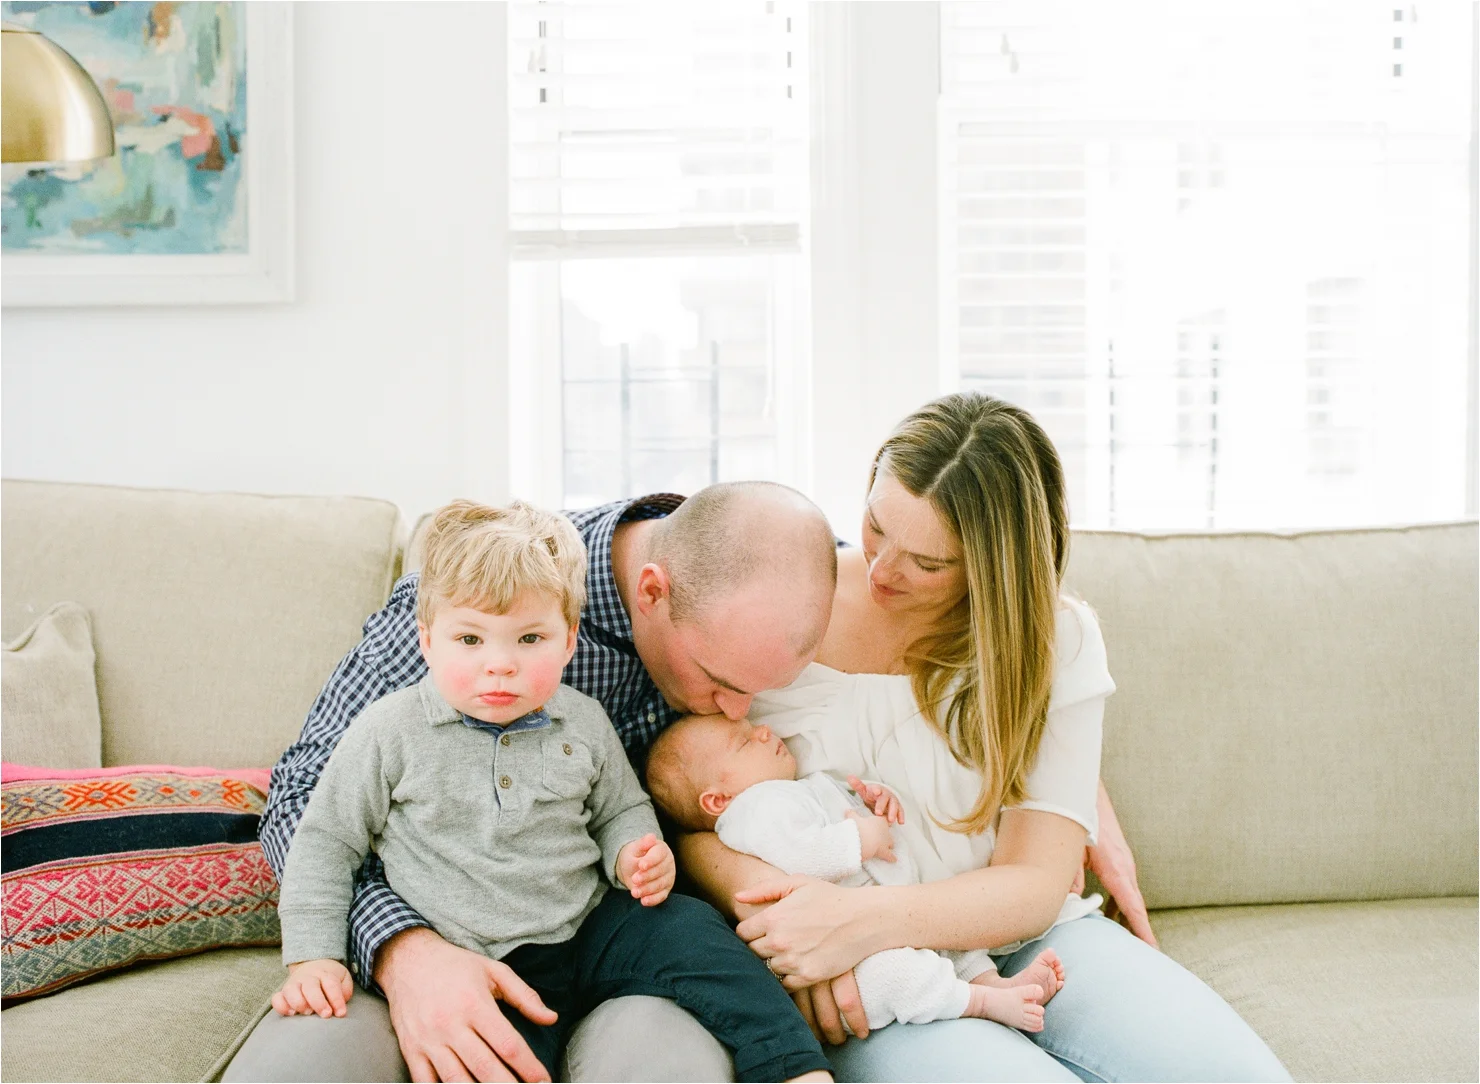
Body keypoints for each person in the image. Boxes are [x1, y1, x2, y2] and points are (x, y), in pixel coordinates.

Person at [677, 392, 1293, 1082]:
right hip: (884, 979)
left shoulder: (1058, 639)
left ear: (992, 567)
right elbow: (686, 809)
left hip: (1026, 938)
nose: (882, 570)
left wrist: (854, 919)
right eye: (876, 525)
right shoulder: (777, 609)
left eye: (928, 563)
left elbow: (1034, 882)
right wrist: (791, 923)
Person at [226, 481, 840, 1084]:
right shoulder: (469, 611)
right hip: (465, 936)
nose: (738, 713)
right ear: (652, 591)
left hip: (597, 917)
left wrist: (638, 849)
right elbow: (305, 808)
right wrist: (388, 949)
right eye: (719, 680)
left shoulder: (587, 710)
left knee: (690, 936)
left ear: (567, 640)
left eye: (532, 642)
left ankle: (795, 1069)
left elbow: (619, 805)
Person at [646, 712, 1065, 1034]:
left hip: (889, 916)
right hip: (854, 954)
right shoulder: (751, 813)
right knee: (899, 976)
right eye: (743, 743)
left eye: (754, 726)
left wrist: (876, 798)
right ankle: (979, 1002)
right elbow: (803, 856)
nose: (764, 732)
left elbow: (844, 804)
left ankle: (995, 983)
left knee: (953, 944)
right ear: (718, 800)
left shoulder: (793, 788)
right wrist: (859, 839)